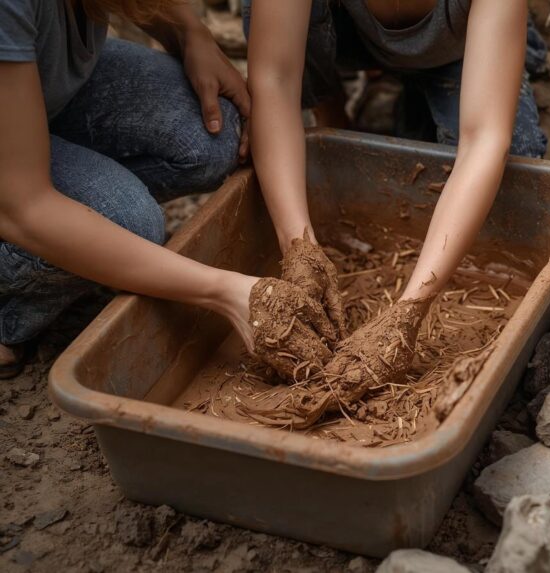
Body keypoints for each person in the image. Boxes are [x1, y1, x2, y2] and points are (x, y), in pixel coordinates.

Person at [0, 0, 336, 379]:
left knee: (210, 133)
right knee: (129, 219)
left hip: (32, 89)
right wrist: (225, 292)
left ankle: (82, 221)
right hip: (16, 185)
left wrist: (190, 34)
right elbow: (24, 208)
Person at [244, 0, 547, 397]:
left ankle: (414, 94)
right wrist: (299, 249)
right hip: (347, 38)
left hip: (457, 47)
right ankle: (337, 117)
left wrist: (408, 312)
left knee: (517, 157)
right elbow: (275, 80)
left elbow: (485, 139)